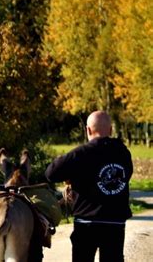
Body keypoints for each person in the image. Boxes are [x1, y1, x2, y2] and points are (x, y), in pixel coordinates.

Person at [45, 110, 133, 262]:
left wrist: (71, 176)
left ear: (88, 130)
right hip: (115, 223)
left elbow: (50, 173)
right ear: (111, 130)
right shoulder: (123, 153)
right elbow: (127, 175)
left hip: (86, 224)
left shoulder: (80, 154)